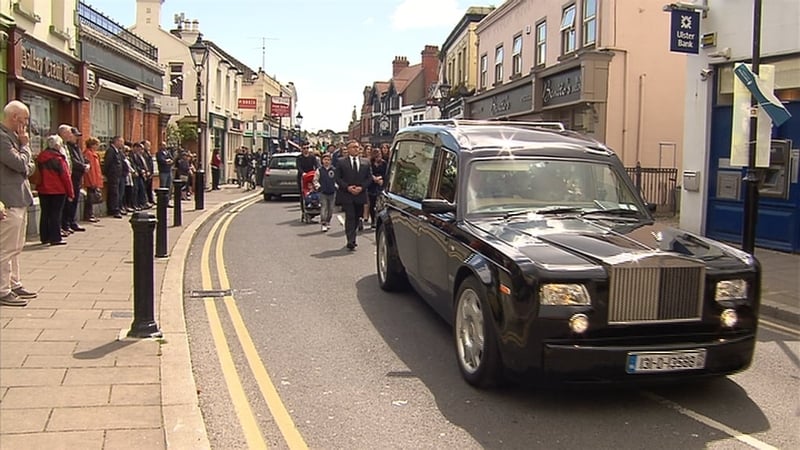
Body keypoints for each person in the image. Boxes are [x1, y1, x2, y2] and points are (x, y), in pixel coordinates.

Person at [0, 100, 37, 306]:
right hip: (9, 200)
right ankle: (2, 289)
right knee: (6, 248)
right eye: (25, 119)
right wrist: (25, 146)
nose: (26, 124)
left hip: (20, 198)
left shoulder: (13, 138)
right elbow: (20, 163)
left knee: (16, 247)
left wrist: (24, 157)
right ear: (14, 117)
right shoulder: (2, 138)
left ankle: (14, 283)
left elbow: (30, 167)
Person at [36, 135, 74, 246]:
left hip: (43, 189)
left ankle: (45, 237)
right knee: (55, 214)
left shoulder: (40, 157)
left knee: (45, 213)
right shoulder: (58, 159)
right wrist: (70, 193)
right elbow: (65, 177)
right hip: (57, 190)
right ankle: (55, 238)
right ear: (57, 145)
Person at [335, 140, 371, 251]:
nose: (356, 149)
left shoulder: (366, 162)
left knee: (357, 217)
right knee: (350, 216)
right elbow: (338, 178)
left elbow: (369, 178)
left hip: (360, 194)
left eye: (357, 147)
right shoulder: (341, 162)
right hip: (347, 194)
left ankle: (353, 235)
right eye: (353, 147)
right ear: (348, 149)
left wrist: (361, 187)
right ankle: (351, 240)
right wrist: (348, 187)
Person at [57, 125, 87, 233]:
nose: (75, 137)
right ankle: (65, 224)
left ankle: (71, 222)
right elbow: (72, 161)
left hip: (76, 177)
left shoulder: (75, 147)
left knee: (73, 201)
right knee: (68, 202)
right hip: (71, 177)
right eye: (74, 135)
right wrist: (83, 166)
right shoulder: (65, 146)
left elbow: (81, 158)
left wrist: (86, 163)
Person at [313, 153, 337, 232]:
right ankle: (323, 223)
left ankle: (328, 221)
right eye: (325, 160)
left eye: (328, 160)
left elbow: (337, 179)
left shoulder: (334, 170)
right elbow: (315, 180)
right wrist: (318, 186)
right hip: (323, 192)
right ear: (322, 161)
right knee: (324, 208)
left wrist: (336, 186)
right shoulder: (319, 170)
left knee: (331, 209)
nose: (327, 161)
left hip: (332, 192)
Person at [81, 137, 103, 223]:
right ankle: (88, 215)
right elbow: (90, 170)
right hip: (91, 179)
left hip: (95, 178)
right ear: (92, 145)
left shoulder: (94, 154)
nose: (98, 146)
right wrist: (92, 181)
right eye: (97, 144)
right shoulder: (88, 154)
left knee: (92, 198)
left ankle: (91, 214)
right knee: (90, 198)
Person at [102, 136, 125, 218]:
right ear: (116, 141)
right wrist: (106, 173)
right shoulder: (111, 151)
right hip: (113, 175)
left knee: (117, 192)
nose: (122, 144)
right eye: (121, 142)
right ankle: (114, 210)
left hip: (118, 175)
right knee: (114, 193)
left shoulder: (118, 151)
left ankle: (116, 208)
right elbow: (107, 163)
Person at [296, 142, 319, 213]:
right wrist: (303, 173)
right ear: (301, 149)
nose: (306, 150)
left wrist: (316, 172)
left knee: (314, 191)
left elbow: (316, 165)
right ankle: (303, 210)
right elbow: (298, 167)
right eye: (304, 148)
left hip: (311, 176)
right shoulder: (299, 158)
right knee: (303, 193)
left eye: (307, 148)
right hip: (302, 177)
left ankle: (314, 205)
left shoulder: (312, 157)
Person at [367, 147, 386, 228]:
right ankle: (373, 220)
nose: (378, 156)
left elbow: (386, 173)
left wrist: (380, 178)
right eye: (376, 154)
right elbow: (368, 173)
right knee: (372, 204)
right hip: (372, 185)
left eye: (379, 154)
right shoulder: (369, 163)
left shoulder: (384, 163)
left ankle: (379, 219)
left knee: (380, 204)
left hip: (380, 184)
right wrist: (373, 178)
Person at [141, 140, 155, 205]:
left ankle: (150, 199)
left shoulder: (148, 153)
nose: (149, 146)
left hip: (150, 172)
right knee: (145, 188)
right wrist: (147, 171)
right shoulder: (143, 154)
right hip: (146, 173)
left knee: (149, 187)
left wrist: (152, 172)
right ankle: (146, 201)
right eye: (147, 145)